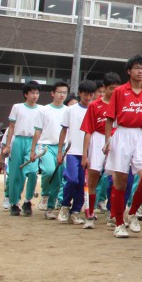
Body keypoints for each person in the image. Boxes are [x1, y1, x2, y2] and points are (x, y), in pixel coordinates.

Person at [102, 55, 142, 239]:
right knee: (121, 181)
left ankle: (132, 212)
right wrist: (108, 140)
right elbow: (110, 117)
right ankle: (118, 223)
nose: (140, 71)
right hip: (122, 134)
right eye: (136, 68)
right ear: (129, 71)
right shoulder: (119, 92)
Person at [81, 72, 120, 229]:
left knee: (117, 177)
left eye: (117, 88)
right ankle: (89, 213)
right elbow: (88, 131)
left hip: (116, 138)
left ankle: (114, 214)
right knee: (93, 176)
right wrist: (85, 155)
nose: (114, 92)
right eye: (111, 88)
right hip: (98, 138)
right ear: (104, 88)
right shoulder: (94, 105)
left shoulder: (121, 105)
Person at [1, 82, 43, 216]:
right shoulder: (17, 107)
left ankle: (28, 200)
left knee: (32, 172)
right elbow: (11, 127)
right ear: (26, 94)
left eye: (37, 93)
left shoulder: (42, 109)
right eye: (32, 93)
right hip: (18, 140)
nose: (35, 95)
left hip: (34, 141)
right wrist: (8, 146)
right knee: (15, 174)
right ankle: (14, 203)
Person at [58, 80, 95, 224]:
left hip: (89, 153)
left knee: (83, 184)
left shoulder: (94, 109)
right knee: (73, 179)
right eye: (85, 94)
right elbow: (63, 130)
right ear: (80, 94)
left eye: (91, 95)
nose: (88, 97)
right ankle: (65, 206)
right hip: (73, 151)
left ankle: (76, 211)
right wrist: (60, 151)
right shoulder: (70, 110)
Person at [32, 81, 70, 218]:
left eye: (64, 93)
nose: (62, 95)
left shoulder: (68, 110)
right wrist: (32, 150)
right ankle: (45, 194)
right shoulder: (43, 110)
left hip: (63, 147)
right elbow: (37, 131)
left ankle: (50, 208)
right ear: (53, 93)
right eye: (59, 92)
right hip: (46, 146)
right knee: (48, 171)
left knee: (58, 177)